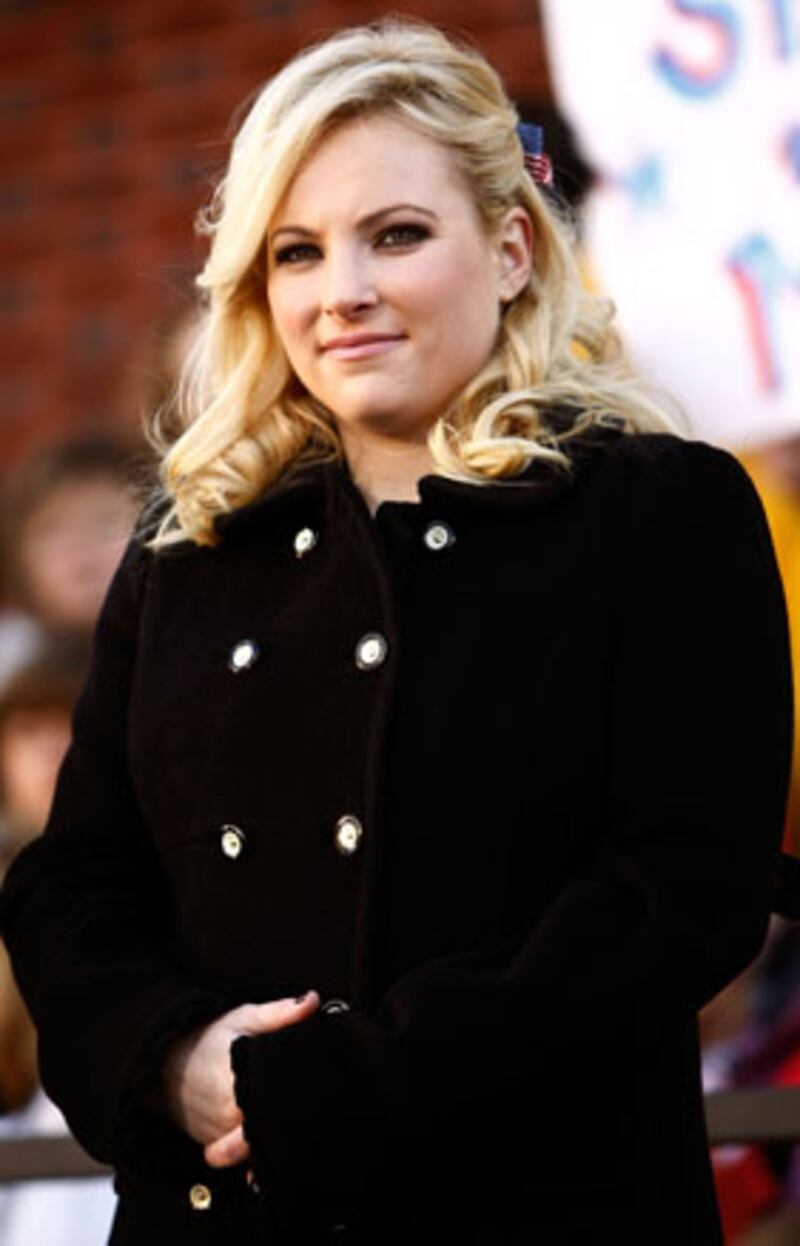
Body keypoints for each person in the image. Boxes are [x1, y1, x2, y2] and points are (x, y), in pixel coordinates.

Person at [0, 17, 793, 1245]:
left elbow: (680, 886)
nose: (343, 293)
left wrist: (333, 1086)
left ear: (512, 249)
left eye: (398, 235)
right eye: (297, 252)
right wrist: (169, 1058)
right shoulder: (190, 544)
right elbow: (75, 883)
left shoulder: (659, 509)